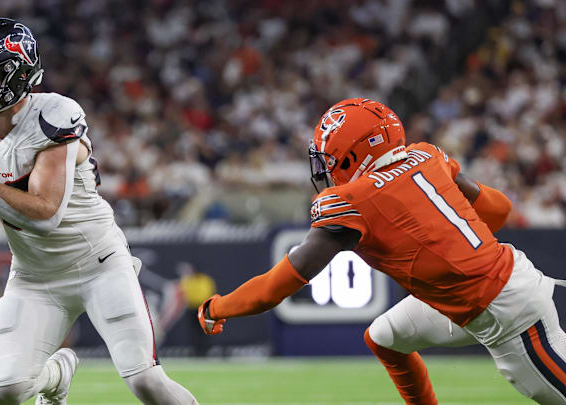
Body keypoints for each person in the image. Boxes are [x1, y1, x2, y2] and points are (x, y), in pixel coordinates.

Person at [0, 17, 199, 405]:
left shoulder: (53, 117)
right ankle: (58, 375)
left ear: (19, 74)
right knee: (5, 390)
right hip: (34, 275)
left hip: (99, 264)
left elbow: (45, 215)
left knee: (146, 381)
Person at [197, 98, 566, 404]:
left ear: (352, 155)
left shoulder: (351, 202)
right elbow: (498, 210)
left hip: (511, 315)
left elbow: (275, 287)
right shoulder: (426, 155)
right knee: (386, 337)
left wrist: (217, 307)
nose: (324, 169)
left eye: (329, 158)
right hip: (488, 289)